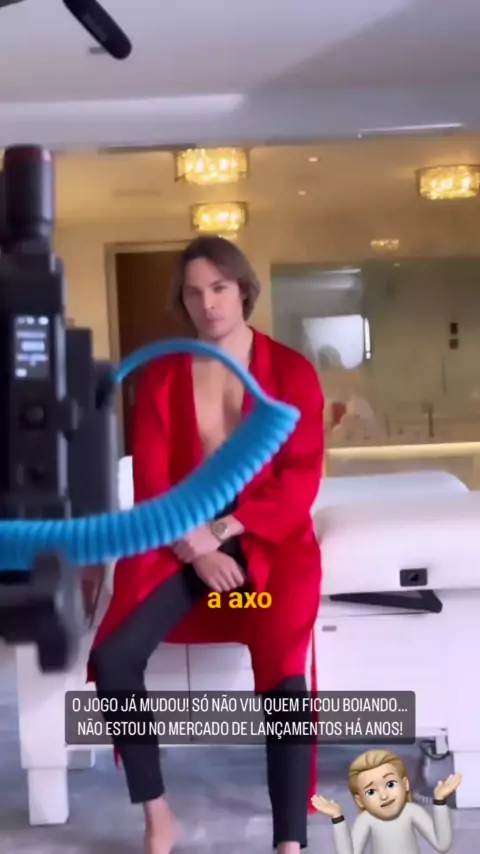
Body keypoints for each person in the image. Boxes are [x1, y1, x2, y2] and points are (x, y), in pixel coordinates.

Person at [87, 235, 325, 854]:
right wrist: (198, 550)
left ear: (243, 289)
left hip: (268, 537)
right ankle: (158, 815)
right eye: (194, 293)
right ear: (183, 302)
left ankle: (289, 843)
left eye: (219, 288)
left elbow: (300, 479)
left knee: (282, 665)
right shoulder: (161, 377)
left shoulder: (291, 372)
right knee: (115, 656)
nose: (208, 304)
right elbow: (154, 483)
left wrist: (223, 533)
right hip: (181, 536)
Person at [311, 748, 461, 853]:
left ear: (405, 784)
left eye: (390, 784)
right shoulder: (366, 819)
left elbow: (442, 844)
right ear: (360, 800)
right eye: (371, 791)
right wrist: (337, 818)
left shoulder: (412, 811)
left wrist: (440, 800)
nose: (384, 796)